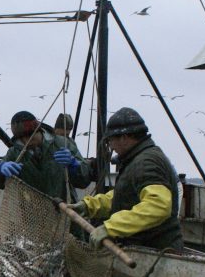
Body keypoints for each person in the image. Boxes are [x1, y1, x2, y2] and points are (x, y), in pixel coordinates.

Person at [67, 107, 184, 251]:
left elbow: (157, 207)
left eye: (111, 140)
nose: (110, 146)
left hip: (155, 253)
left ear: (124, 137)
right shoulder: (136, 159)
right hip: (142, 250)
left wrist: (110, 228)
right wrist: (89, 206)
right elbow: (124, 196)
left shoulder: (146, 162)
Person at [0, 110, 92, 199]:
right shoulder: (15, 153)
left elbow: (84, 180)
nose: (27, 141)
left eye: (30, 135)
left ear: (39, 130)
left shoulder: (63, 144)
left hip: (66, 215)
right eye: (21, 138)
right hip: (32, 218)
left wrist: (74, 164)